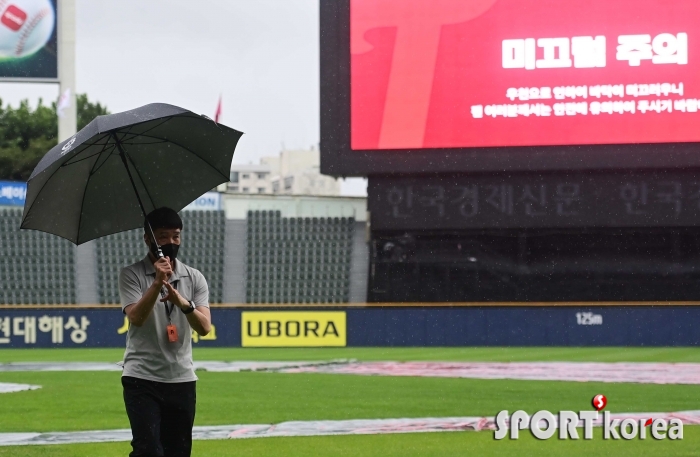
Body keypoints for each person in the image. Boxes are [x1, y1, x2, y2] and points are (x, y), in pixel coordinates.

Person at [119, 207, 212, 457]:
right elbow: (136, 317)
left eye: (176, 236)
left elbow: (204, 327)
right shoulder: (131, 274)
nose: (171, 242)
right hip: (142, 378)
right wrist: (157, 282)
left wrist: (183, 303)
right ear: (148, 239)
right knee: (148, 451)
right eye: (163, 236)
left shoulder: (194, 278)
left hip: (181, 378)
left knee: (178, 452)